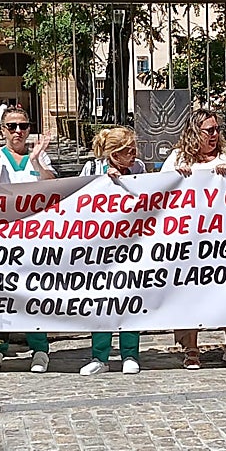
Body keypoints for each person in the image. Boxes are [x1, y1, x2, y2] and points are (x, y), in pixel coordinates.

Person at [163, 109, 226, 368]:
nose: (215, 135)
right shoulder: (177, 157)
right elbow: (159, 191)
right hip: (189, 239)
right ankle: (191, 347)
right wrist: (175, 177)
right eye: (209, 130)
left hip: (225, 238)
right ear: (195, 132)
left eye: (217, 129)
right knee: (191, 291)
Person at [0, 107, 56, 374]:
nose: (18, 131)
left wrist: (35, 162)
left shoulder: (39, 155)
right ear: (2, 130)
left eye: (23, 126)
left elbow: (53, 188)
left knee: (35, 293)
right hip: (1, 239)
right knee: (0, 294)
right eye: (11, 126)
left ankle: (40, 348)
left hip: (34, 238)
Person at [78, 127, 145, 376]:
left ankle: (130, 353)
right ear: (114, 154)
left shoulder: (138, 168)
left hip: (129, 243)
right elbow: (82, 199)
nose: (133, 153)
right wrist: (105, 182)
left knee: (129, 297)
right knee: (101, 301)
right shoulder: (91, 168)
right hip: (100, 246)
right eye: (128, 150)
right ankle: (100, 355)